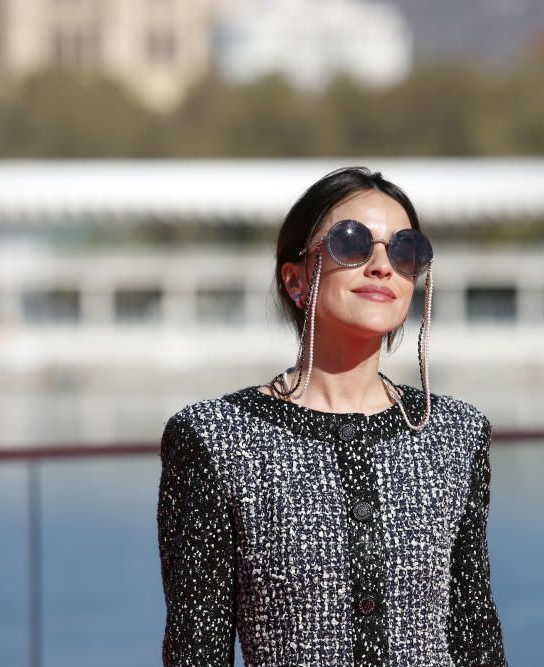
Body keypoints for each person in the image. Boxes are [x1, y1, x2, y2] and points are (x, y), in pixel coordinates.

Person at [156, 166, 509, 666]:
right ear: (295, 278)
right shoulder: (216, 439)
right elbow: (197, 651)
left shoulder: (456, 433)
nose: (382, 266)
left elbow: (476, 636)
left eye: (405, 250)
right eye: (352, 242)